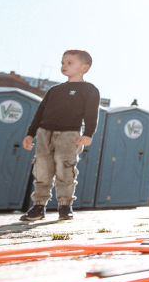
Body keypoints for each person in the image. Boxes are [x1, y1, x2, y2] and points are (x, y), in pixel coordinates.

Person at [19, 50, 100, 222]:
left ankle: (65, 206)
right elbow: (40, 112)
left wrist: (88, 134)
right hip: (44, 133)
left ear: (84, 68)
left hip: (69, 135)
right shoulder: (54, 90)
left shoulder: (89, 90)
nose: (64, 66)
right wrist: (30, 133)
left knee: (65, 169)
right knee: (42, 169)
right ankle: (38, 206)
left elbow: (91, 114)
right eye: (63, 62)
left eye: (70, 63)